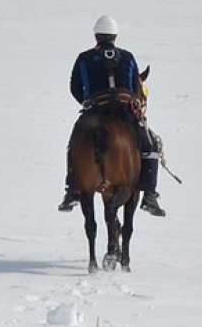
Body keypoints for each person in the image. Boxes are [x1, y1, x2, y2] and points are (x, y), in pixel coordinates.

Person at [58, 15, 165, 217]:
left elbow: (74, 87)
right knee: (150, 145)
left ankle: (72, 190)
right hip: (124, 111)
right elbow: (135, 86)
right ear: (115, 36)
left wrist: (87, 102)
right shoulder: (128, 56)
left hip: (95, 110)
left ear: (97, 36)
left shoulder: (84, 57)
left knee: (75, 144)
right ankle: (150, 195)